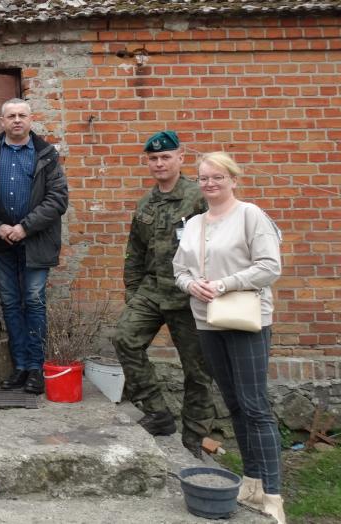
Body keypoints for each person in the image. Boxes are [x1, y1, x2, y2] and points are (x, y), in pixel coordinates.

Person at [173, 152, 284, 523]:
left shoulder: (251, 215)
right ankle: (250, 482)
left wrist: (223, 284)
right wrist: (193, 285)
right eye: (204, 178)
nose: (210, 184)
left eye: (218, 177)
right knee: (234, 403)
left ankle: (273, 494)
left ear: (233, 179)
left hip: (246, 318)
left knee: (255, 406)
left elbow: (269, 267)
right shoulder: (194, 224)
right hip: (207, 320)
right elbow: (179, 270)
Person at [111, 130, 214, 458]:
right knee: (124, 339)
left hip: (190, 294)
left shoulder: (198, 197)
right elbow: (135, 251)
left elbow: (218, 243)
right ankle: (157, 412)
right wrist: (133, 292)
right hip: (153, 290)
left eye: (165, 157)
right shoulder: (146, 202)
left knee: (196, 369)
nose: (159, 163)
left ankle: (195, 437)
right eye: (153, 159)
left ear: (180, 158)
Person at [0, 98, 68, 395]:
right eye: (11, 116)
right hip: (1, 240)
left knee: (33, 301)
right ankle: (19, 367)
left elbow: (58, 199)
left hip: (36, 241)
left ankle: (35, 368)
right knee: (9, 303)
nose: (17, 120)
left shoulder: (46, 154)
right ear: (2, 122)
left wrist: (24, 227)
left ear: (31, 120)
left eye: (22, 115)